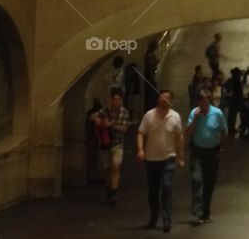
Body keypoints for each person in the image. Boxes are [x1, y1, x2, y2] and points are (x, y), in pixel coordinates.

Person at [136, 88, 184, 231]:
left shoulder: (175, 117)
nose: (164, 99)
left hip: (168, 158)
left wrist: (180, 156)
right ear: (158, 99)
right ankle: (153, 217)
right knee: (153, 191)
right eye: (162, 96)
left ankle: (167, 220)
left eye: (167, 97)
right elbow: (141, 133)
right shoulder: (149, 116)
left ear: (171, 100)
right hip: (151, 159)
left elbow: (179, 137)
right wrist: (140, 149)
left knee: (167, 187)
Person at [185, 89, 228, 224]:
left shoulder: (217, 113)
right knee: (196, 179)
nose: (202, 103)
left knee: (209, 183)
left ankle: (206, 211)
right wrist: (195, 119)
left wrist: (221, 147)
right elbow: (187, 131)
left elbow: (223, 131)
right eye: (200, 100)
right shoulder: (194, 113)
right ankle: (196, 213)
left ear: (209, 100)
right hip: (197, 151)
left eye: (204, 100)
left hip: (212, 152)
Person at [95, 88, 130, 206]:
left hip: (117, 144)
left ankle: (114, 193)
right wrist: (98, 120)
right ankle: (109, 191)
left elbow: (124, 129)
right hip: (105, 144)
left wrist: (112, 125)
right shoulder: (105, 110)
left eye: (119, 100)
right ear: (111, 100)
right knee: (106, 169)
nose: (117, 102)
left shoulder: (124, 112)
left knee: (115, 166)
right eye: (115, 100)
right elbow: (93, 116)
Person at [223, 66, 243, 136]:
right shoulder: (236, 81)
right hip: (235, 100)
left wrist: (227, 95)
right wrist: (228, 94)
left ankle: (231, 128)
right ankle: (232, 128)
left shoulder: (230, 80)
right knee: (233, 114)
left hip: (233, 100)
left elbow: (224, 88)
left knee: (232, 114)